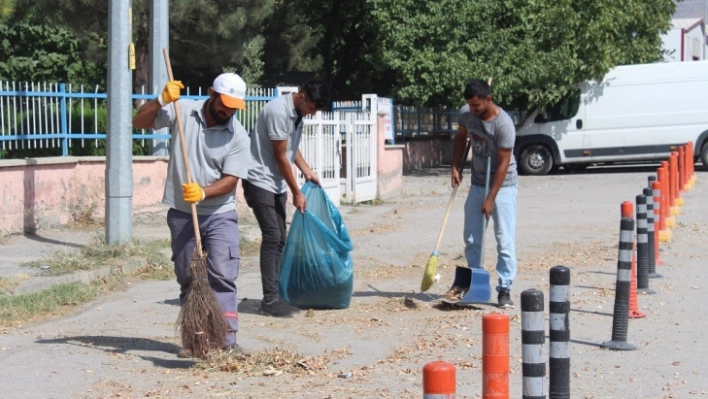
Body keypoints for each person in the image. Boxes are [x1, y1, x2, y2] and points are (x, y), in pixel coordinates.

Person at [132, 73, 251, 355]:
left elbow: (232, 180)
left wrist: (203, 192)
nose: (228, 111)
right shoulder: (182, 109)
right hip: (183, 213)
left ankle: (227, 342)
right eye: (225, 104)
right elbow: (139, 122)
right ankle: (196, 341)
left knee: (222, 274)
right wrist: (161, 99)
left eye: (235, 106)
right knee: (190, 277)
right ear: (212, 93)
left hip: (220, 212)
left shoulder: (238, 135)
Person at [243, 78, 330, 318]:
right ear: (302, 96)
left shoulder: (297, 114)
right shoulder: (278, 112)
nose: (312, 113)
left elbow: (292, 149)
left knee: (281, 236)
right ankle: (269, 300)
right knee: (272, 235)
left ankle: (276, 295)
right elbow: (281, 155)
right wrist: (296, 191)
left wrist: (306, 170)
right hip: (258, 180)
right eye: (312, 107)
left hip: (276, 182)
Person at [451, 78, 519, 309]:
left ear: (488, 100)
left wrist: (491, 199)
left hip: (504, 185)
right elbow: (461, 137)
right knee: (472, 237)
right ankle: (474, 283)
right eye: (469, 105)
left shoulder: (504, 125)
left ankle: (505, 289)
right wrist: (455, 166)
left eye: (476, 106)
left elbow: (503, 164)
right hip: (478, 182)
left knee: (504, 239)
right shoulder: (467, 114)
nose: (472, 110)